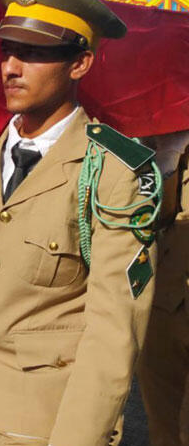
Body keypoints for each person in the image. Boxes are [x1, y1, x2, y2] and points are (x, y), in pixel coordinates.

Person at [0, 0, 158, 444]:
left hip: (41, 416)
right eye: (5, 50)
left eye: (32, 52)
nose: (10, 66)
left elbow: (114, 329)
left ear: (80, 64)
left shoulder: (113, 171)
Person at [136, 131, 189, 446]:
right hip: (165, 304)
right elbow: (150, 216)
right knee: (164, 433)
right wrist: (165, 159)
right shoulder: (165, 132)